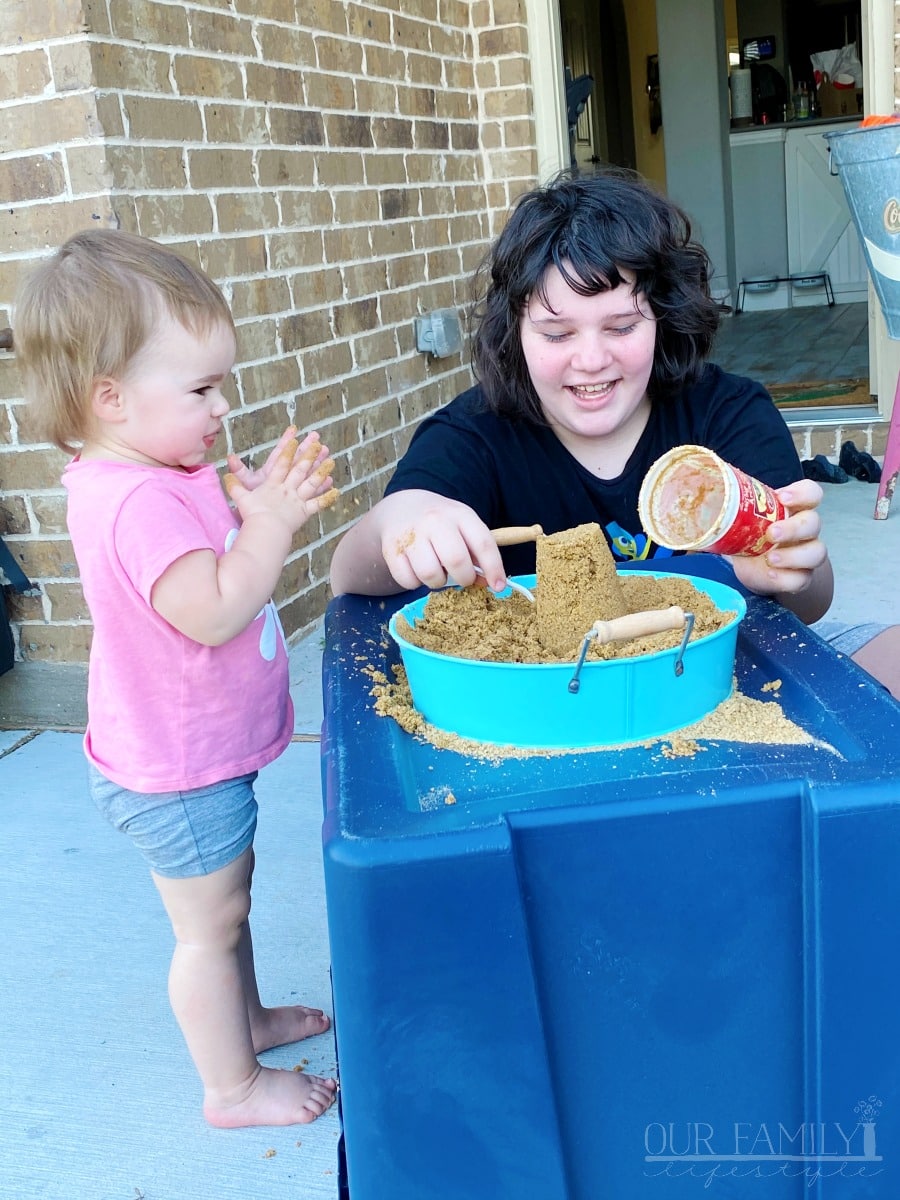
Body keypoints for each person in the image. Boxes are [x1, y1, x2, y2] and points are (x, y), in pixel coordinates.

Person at [330, 168, 900, 697]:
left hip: (723, 672)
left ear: (662, 316)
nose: (591, 360)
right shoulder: (475, 434)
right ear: (516, 334)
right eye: (557, 334)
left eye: (621, 325)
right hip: (543, 700)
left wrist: (788, 572)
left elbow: (811, 603)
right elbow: (348, 575)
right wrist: (400, 523)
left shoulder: (727, 412)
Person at [15, 230, 339, 1129]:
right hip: (177, 772)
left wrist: (245, 506)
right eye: (200, 388)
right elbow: (214, 608)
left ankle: (253, 1021)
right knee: (208, 930)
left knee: (228, 913)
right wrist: (269, 525)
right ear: (108, 398)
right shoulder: (138, 500)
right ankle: (231, 1089)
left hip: (187, 756)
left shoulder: (150, 469)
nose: (223, 406)